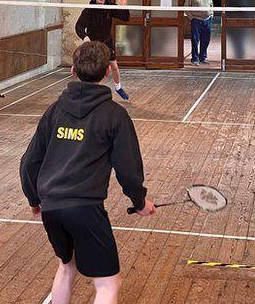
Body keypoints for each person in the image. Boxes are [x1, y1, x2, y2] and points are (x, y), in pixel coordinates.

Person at [20, 41, 156, 304]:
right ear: (107, 72)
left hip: (51, 207)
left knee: (66, 266)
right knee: (107, 283)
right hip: (85, 209)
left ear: (72, 70)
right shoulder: (115, 115)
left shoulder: (55, 110)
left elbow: (29, 162)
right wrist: (139, 202)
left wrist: (34, 200)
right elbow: (128, 170)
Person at [75, 0, 130, 100]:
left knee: (114, 66)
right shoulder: (89, 10)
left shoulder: (110, 7)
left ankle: (118, 88)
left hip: (106, 42)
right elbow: (79, 26)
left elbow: (125, 17)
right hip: (93, 43)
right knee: (91, 68)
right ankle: (87, 91)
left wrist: (123, 6)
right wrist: (84, 37)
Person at [184, 0, 214, 66]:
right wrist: (191, 17)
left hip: (207, 20)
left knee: (206, 40)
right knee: (195, 40)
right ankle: (195, 59)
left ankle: (203, 58)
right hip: (196, 20)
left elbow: (211, 4)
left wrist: (211, 15)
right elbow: (186, 7)